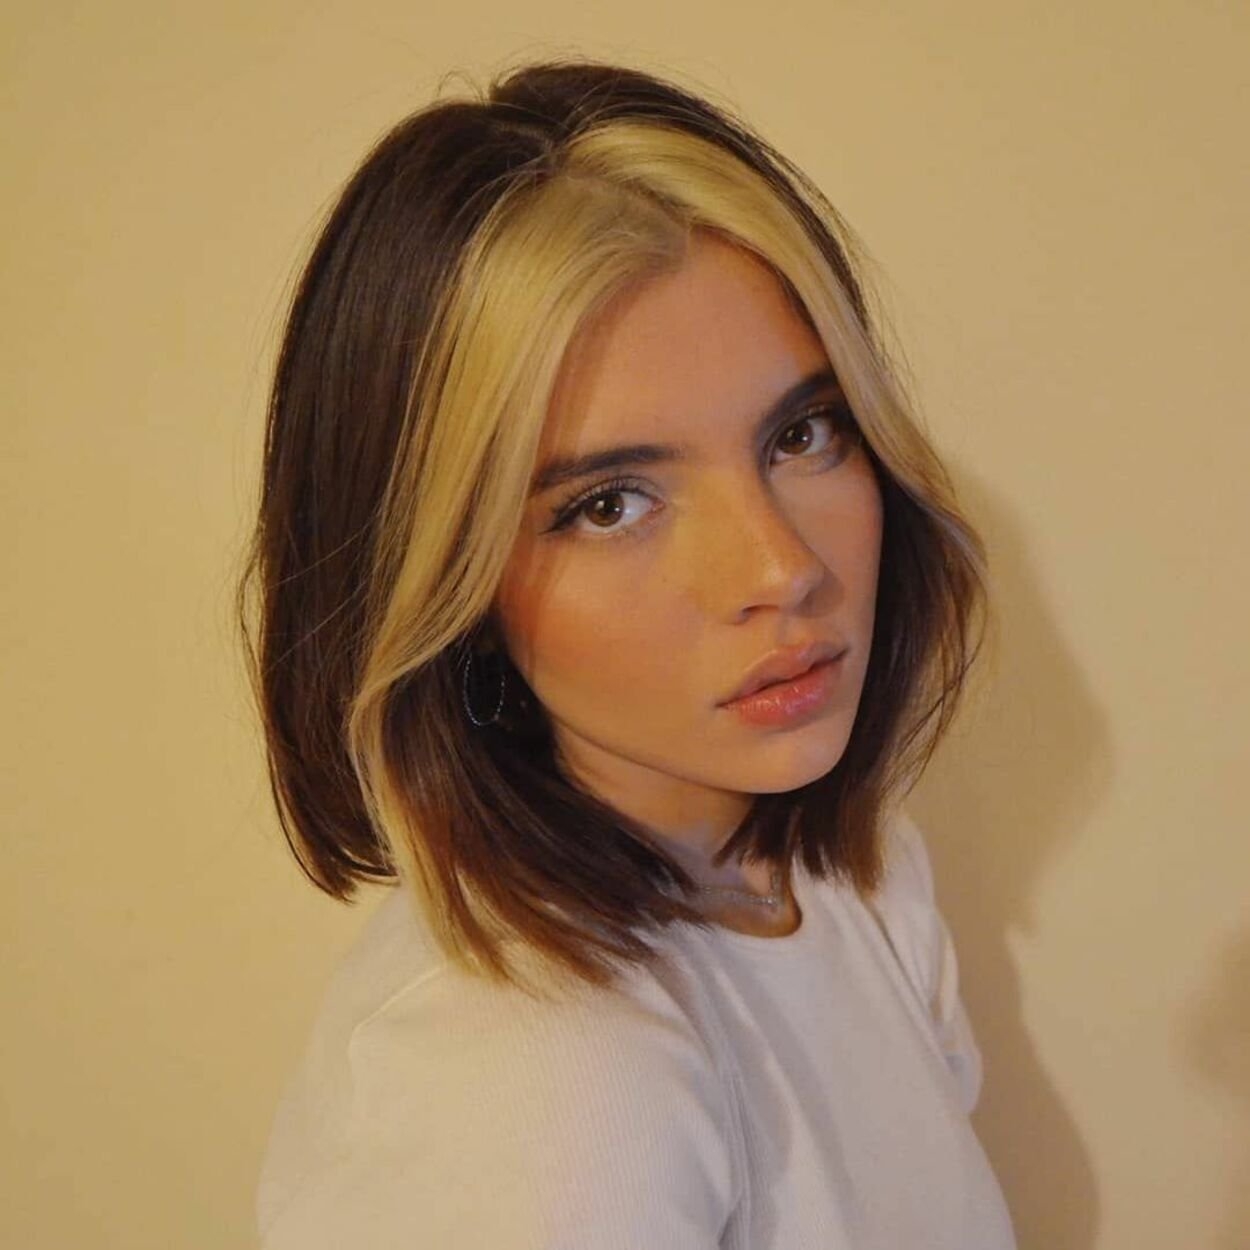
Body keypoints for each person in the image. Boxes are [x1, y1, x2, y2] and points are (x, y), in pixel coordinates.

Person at [239, 57, 1017, 1249]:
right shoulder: (542, 1086)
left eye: (801, 433)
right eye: (608, 503)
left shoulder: (847, 874)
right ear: (441, 585)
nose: (779, 567)